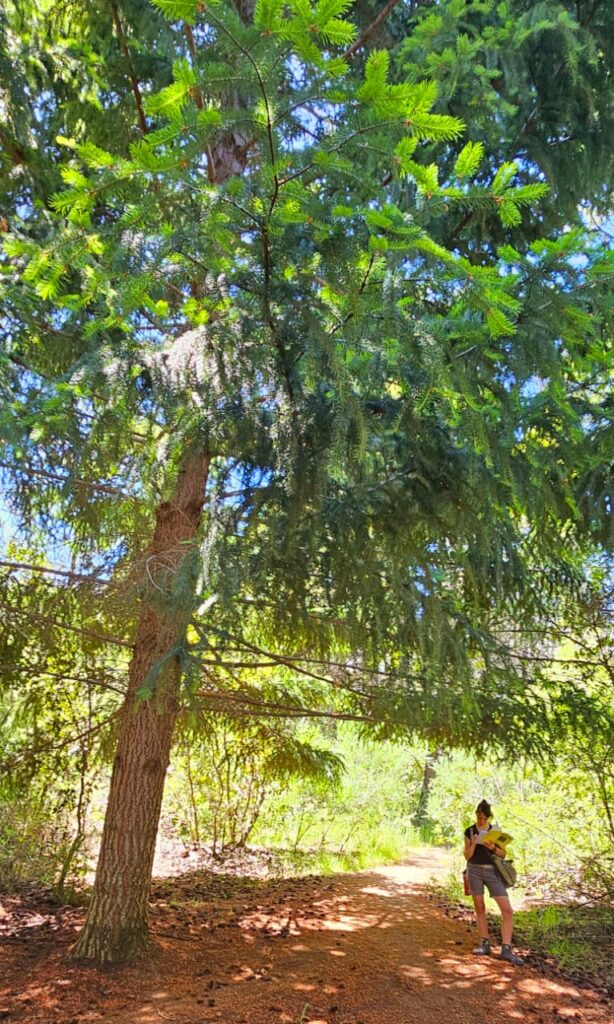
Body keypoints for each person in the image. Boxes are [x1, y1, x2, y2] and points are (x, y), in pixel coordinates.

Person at [463, 799, 524, 965]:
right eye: (478, 817)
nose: (480, 820)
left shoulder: (495, 832)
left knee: (507, 909)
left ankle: (506, 948)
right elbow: (467, 856)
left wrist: (492, 848)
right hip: (474, 869)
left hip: (491, 871)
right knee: (479, 907)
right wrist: (474, 844)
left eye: (483, 818)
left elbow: (503, 854)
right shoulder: (469, 831)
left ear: (488, 817)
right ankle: (484, 943)